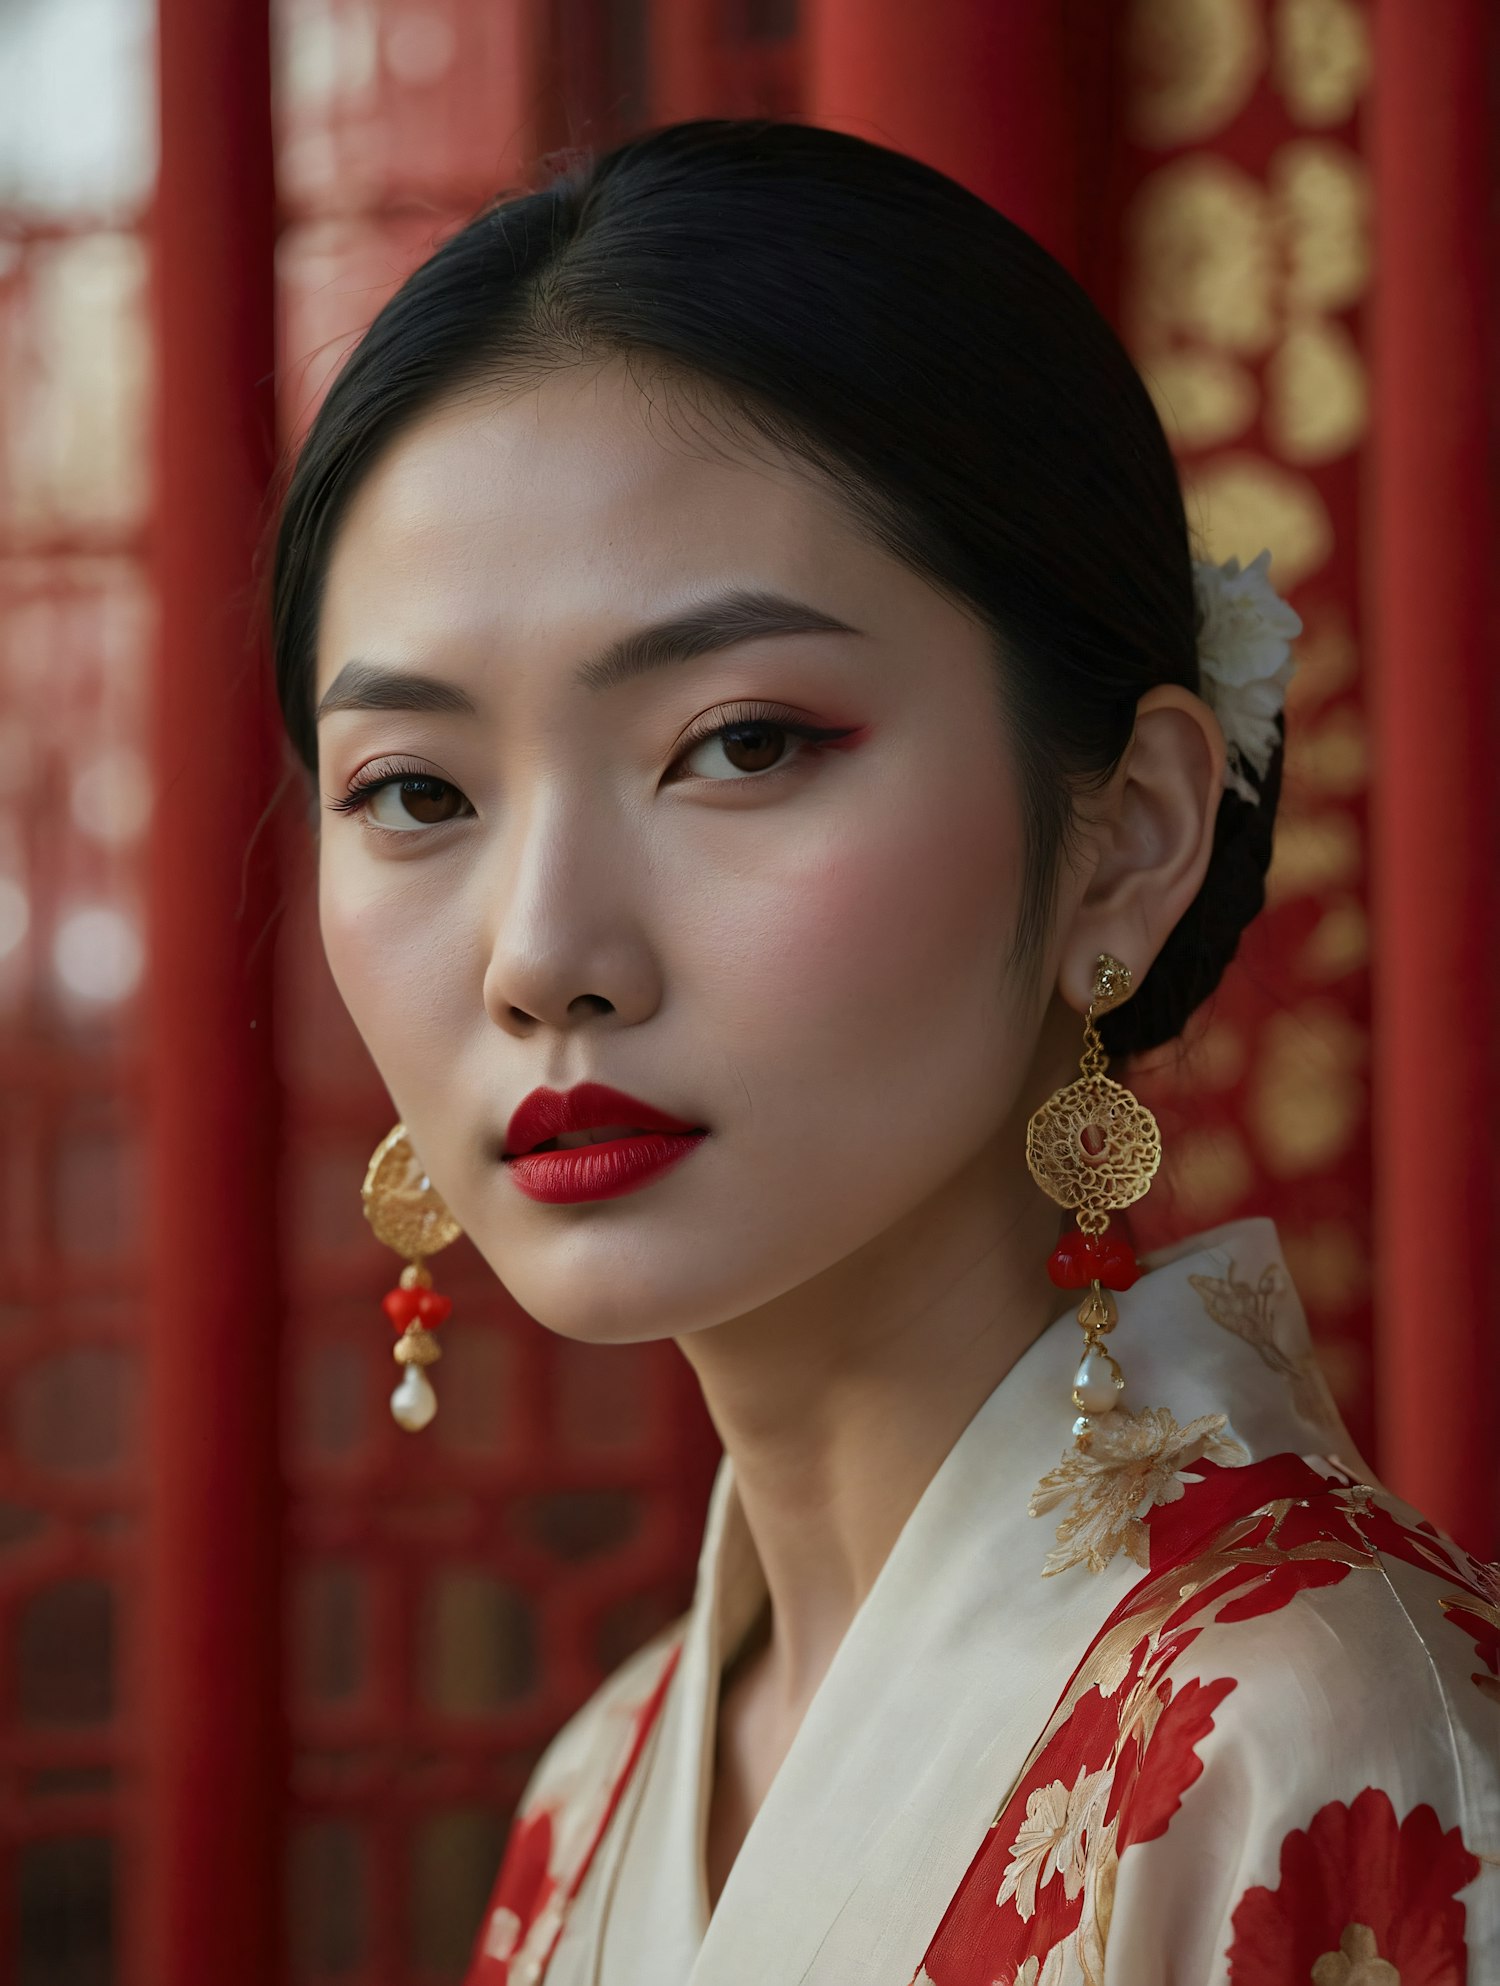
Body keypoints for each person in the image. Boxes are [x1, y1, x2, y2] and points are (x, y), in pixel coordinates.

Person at [267, 118, 1499, 1985]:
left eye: (740, 743)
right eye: (417, 789)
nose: (542, 957)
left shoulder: (1320, 1745)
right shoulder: (601, 1780)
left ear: (1132, 831)